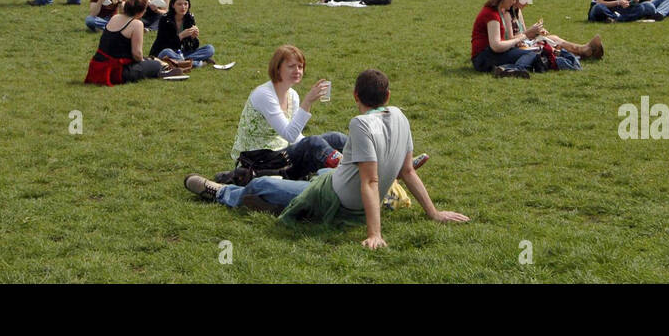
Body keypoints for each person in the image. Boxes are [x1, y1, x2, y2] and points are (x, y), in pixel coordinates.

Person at [187, 68, 470, 249]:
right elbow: (408, 171)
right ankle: (294, 186)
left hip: (339, 199)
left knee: (265, 187)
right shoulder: (400, 114)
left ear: (355, 95)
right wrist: (433, 213)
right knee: (322, 170)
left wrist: (375, 234)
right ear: (388, 95)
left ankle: (223, 192)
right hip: (338, 183)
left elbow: (370, 181)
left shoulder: (360, 123)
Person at [226, 44, 348, 176]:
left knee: (335, 138)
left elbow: (295, 137)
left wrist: (310, 146)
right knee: (313, 143)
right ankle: (346, 173)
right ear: (277, 69)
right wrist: (307, 102)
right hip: (257, 158)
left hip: (281, 153)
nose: (297, 71)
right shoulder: (264, 94)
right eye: (291, 66)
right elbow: (288, 135)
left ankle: (367, 161)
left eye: (300, 67)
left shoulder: (292, 95)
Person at [84, 0, 187, 85]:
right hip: (117, 71)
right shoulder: (136, 24)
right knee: (155, 64)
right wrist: (146, 61)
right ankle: (162, 71)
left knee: (152, 60)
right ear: (140, 12)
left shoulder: (115, 17)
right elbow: (137, 55)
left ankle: (162, 68)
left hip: (97, 66)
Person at [510, 0, 602, 65]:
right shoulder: (508, 14)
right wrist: (531, 32)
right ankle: (583, 51)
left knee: (553, 38)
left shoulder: (518, 11)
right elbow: (515, 38)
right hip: (519, 46)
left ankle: (583, 50)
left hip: (524, 42)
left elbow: (524, 32)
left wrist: (536, 31)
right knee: (551, 41)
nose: (526, 3)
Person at [471, 0, 542, 77]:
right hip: (483, 58)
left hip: (487, 56)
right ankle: (512, 69)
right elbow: (496, 46)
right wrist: (524, 36)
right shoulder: (491, 14)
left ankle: (508, 69)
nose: (514, 3)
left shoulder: (496, 12)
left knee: (533, 54)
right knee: (531, 54)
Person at [148, 0, 216, 65]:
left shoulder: (189, 18)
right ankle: (196, 63)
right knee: (167, 52)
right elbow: (164, 44)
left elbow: (192, 47)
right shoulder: (165, 19)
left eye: (185, 4)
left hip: (181, 53)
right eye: (179, 4)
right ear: (173, 5)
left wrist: (193, 38)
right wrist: (181, 36)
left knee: (210, 49)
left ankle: (182, 62)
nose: (183, 7)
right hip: (164, 52)